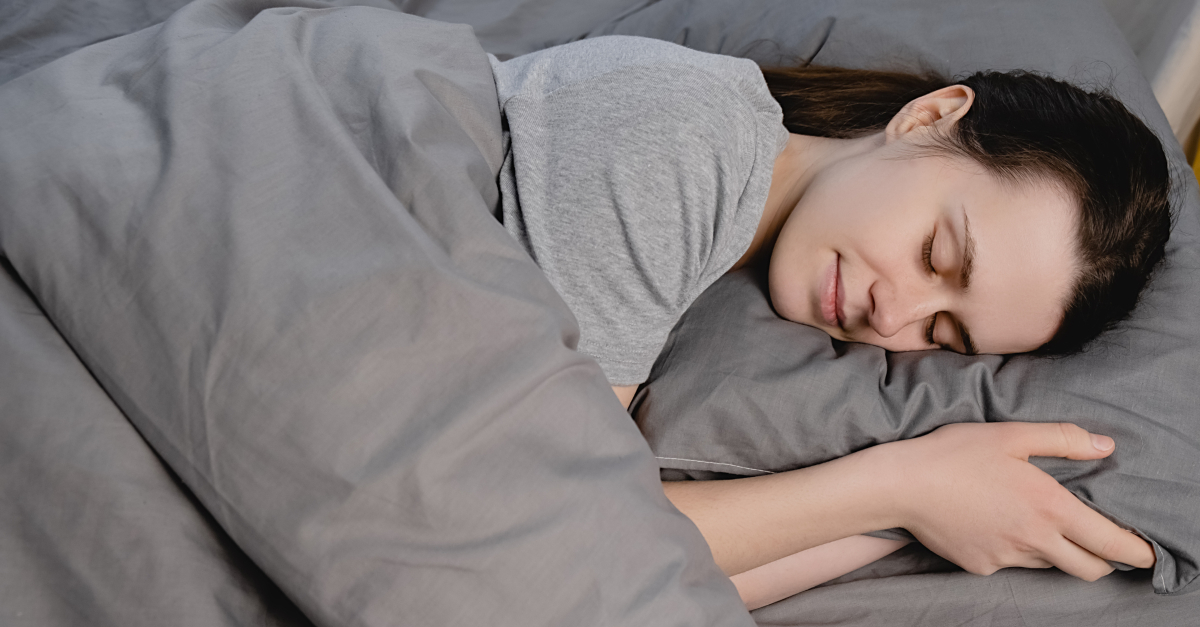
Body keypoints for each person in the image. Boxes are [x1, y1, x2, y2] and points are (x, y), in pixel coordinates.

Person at [488, 35, 1172, 609]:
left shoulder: (729, 236)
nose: (893, 312)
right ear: (930, 116)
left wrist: (902, 522)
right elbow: (562, 537)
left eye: (942, 335)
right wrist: (901, 485)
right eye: (938, 254)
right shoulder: (685, 140)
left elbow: (656, 581)